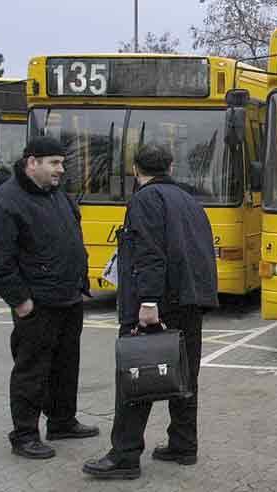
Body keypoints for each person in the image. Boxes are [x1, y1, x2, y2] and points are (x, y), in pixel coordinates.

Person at [83, 144, 218, 479]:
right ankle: (183, 446)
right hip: (190, 301)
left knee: (136, 373)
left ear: (135, 169)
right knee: (185, 376)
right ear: (170, 166)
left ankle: (125, 456)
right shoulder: (190, 201)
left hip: (158, 303)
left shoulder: (145, 199)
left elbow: (149, 253)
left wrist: (148, 302)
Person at [0, 136, 99, 460]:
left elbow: (71, 235)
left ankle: (61, 422)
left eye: (62, 163)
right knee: (32, 370)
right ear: (32, 162)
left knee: (65, 365)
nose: (61, 169)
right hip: (38, 304)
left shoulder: (56, 193)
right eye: (54, 163)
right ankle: (24, 434)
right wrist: (20, 301)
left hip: (68, 296)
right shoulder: (4, 201)